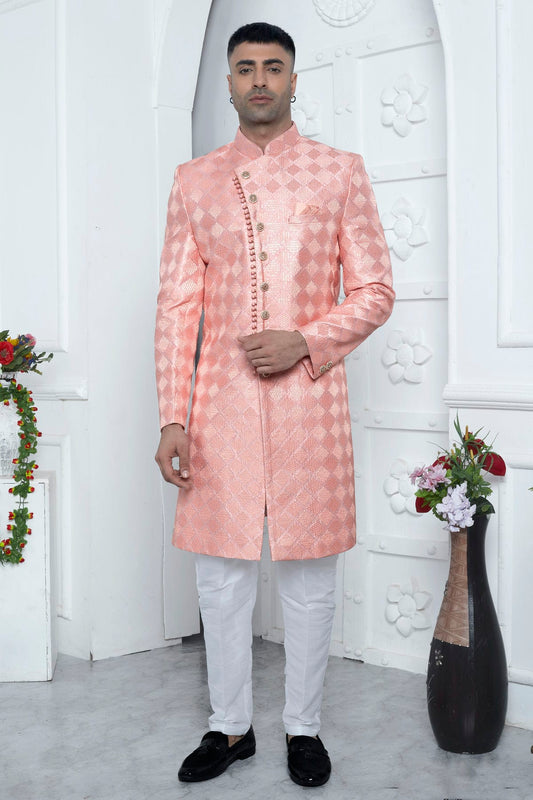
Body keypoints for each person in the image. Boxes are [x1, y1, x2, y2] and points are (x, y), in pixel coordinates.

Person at [154, 21, 394, 787]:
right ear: (228, 82)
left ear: (293, 79)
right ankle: (229, 727)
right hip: (216, 405)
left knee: (308, 577)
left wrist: (305, 341)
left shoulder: (338, 172)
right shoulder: (194, 181)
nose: (259, 79)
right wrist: (171, 417)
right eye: (245, 67)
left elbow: (375, 289)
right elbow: (177, 308)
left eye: (272, 66)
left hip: (308, 406)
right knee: (219, 577)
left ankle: (303, 729)